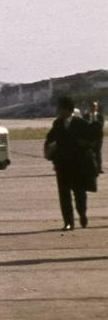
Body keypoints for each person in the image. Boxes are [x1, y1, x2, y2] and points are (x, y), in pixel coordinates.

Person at [46, 95, 99, 230]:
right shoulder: (57, 124)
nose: (58, 111)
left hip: (78, 165)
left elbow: (93, 137)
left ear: (67, 110)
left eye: (60, 108)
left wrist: (85, 143)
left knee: (79, 193)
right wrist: (50, 153)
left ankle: (82, 214)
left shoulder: (80, 123)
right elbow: (50, 139)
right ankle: (68, 222)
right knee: (64, 195)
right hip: (62, 165)